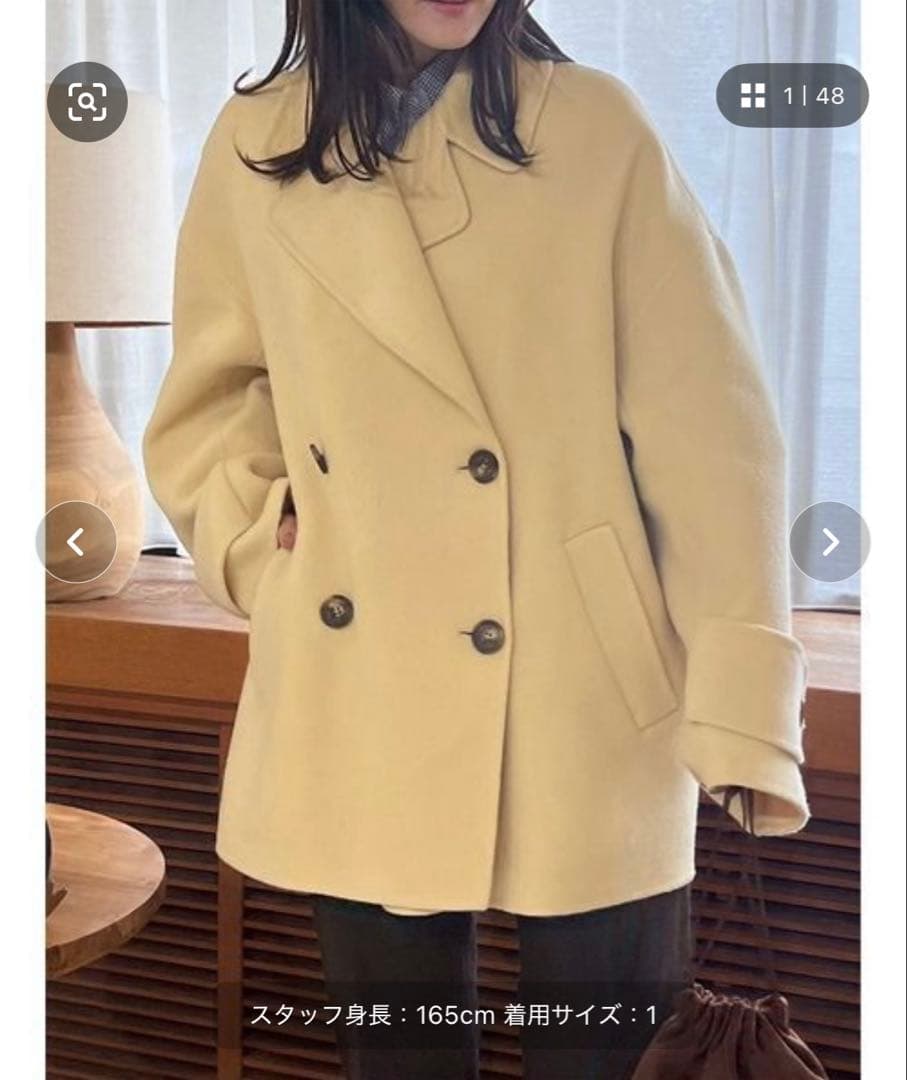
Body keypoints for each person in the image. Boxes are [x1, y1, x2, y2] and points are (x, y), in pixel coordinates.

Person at [142, 1, 811, 1077]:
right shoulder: (258, 145)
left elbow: (713, 440)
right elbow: (211, 405)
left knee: (604, 1057)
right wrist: (267, 544)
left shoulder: (596, 130)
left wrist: (739, 704)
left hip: (586, 686)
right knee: (398, 1061)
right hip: (361, 676)